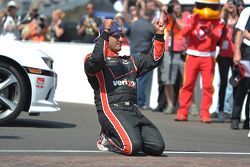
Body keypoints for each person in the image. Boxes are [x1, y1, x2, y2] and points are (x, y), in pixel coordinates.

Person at [84, 19, 165, 156]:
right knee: (130, 147)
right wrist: (105, 32)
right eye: (116, 36)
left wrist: (159, 35)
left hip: (133, 111)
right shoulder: (91, 60)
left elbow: (153, 60)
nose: (121, 39)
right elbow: (98, 59)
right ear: (105, 36)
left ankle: (127, 135)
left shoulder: (130, 61)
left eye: (122, 35)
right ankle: (107, 138)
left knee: (157, 147)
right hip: (111, 110)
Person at [175, 0, 224, 123]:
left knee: (207, 86)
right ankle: (182, 112)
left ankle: (205, 114)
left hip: (208, 57)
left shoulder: (219, 20)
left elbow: (217, 38)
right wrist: (193, 24)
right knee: (187, 85)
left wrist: (209, 29)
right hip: (192, 55)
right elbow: (184, 33)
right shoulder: (192, 17)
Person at [127, 9, 155, 109]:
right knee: (142, 80)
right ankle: (141, 103)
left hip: (133, 54)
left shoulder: (134, 24)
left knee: (132, 79)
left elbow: (127, 34)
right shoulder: (151, 27)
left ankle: (130, 101)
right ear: (152, 16)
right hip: (143, 55)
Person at [216, 0, 239, 122]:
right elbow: (218, 25)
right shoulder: (223, 21)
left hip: (236, 56)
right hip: (223, 56)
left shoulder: (240, 20)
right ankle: (220, 110)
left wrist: (236, 13)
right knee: (223, 84)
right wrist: (224, 10)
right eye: (228, 4)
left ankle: (234, 113)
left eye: (232, 4)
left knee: (236, 84)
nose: (230, 7)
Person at [230, 6, 250, 130]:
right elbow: (240, 32)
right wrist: (237, 52)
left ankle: (248, 120)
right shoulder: (247, 11)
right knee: (242, 86)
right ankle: (235, 118)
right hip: (247, 51)